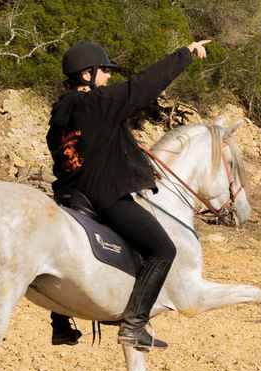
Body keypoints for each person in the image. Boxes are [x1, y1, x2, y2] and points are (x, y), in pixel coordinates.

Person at [46, 38, 209, 350]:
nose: (108, 77)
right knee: (163, 250)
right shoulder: (99, 103)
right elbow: (144, 86)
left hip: (69, 197)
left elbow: (76, 152)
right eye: (103, 71)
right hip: (103, 196)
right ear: (86, 75)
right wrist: (184, 54)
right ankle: (135, 325)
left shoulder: (59, 113)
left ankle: (60, 322)